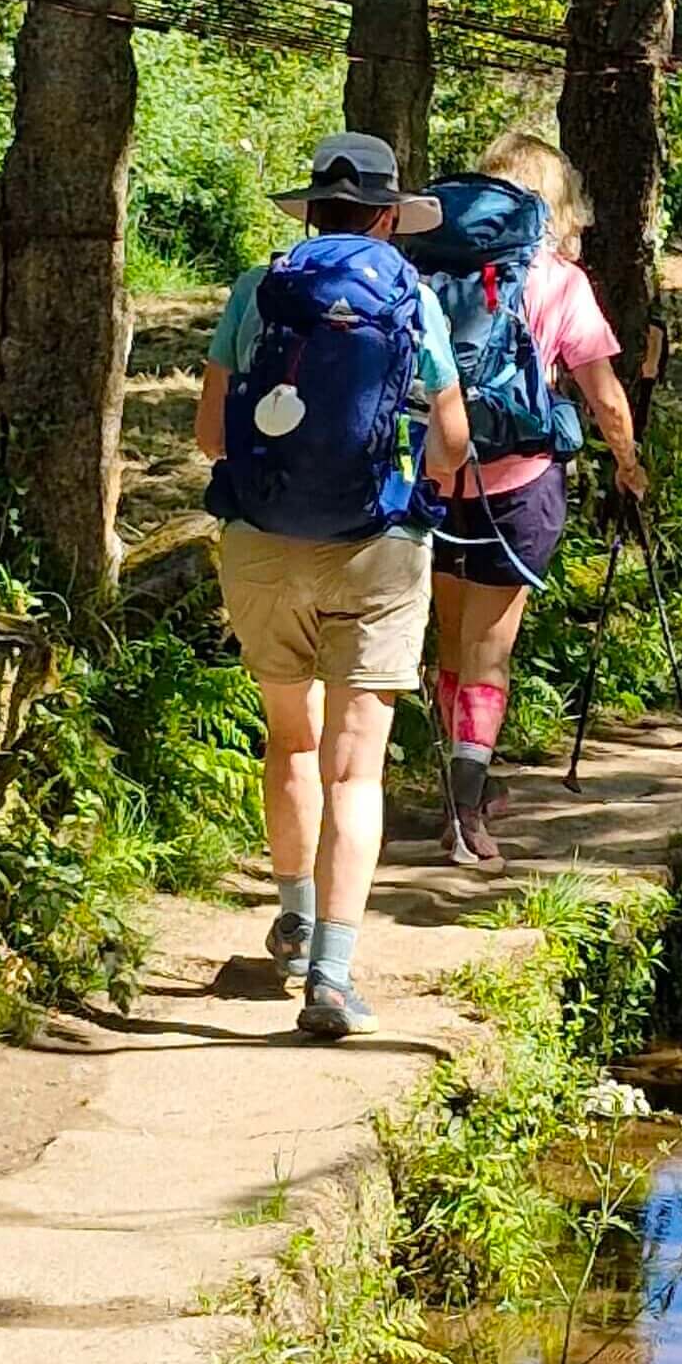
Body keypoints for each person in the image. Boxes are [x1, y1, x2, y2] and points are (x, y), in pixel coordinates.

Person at [197, 132, 472, 1040]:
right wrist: (421, 490)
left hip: (263, 545)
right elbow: (453, 434)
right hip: (380, 547)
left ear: (311, 208)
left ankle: (293, 914)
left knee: (293, 740)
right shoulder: (414, 298)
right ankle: (333, 975)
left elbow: (211, 436)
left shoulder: (258, 289)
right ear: (390, 217)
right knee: (358, 763)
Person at [424, 132, 647, 867]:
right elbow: (606, 399)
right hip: (516, 486)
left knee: (450, 643)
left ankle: (467, 789)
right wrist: (628, 464)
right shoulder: (557, 281)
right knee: (489, 653)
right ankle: (465, 815)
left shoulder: (432, 266)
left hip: (432, 475)